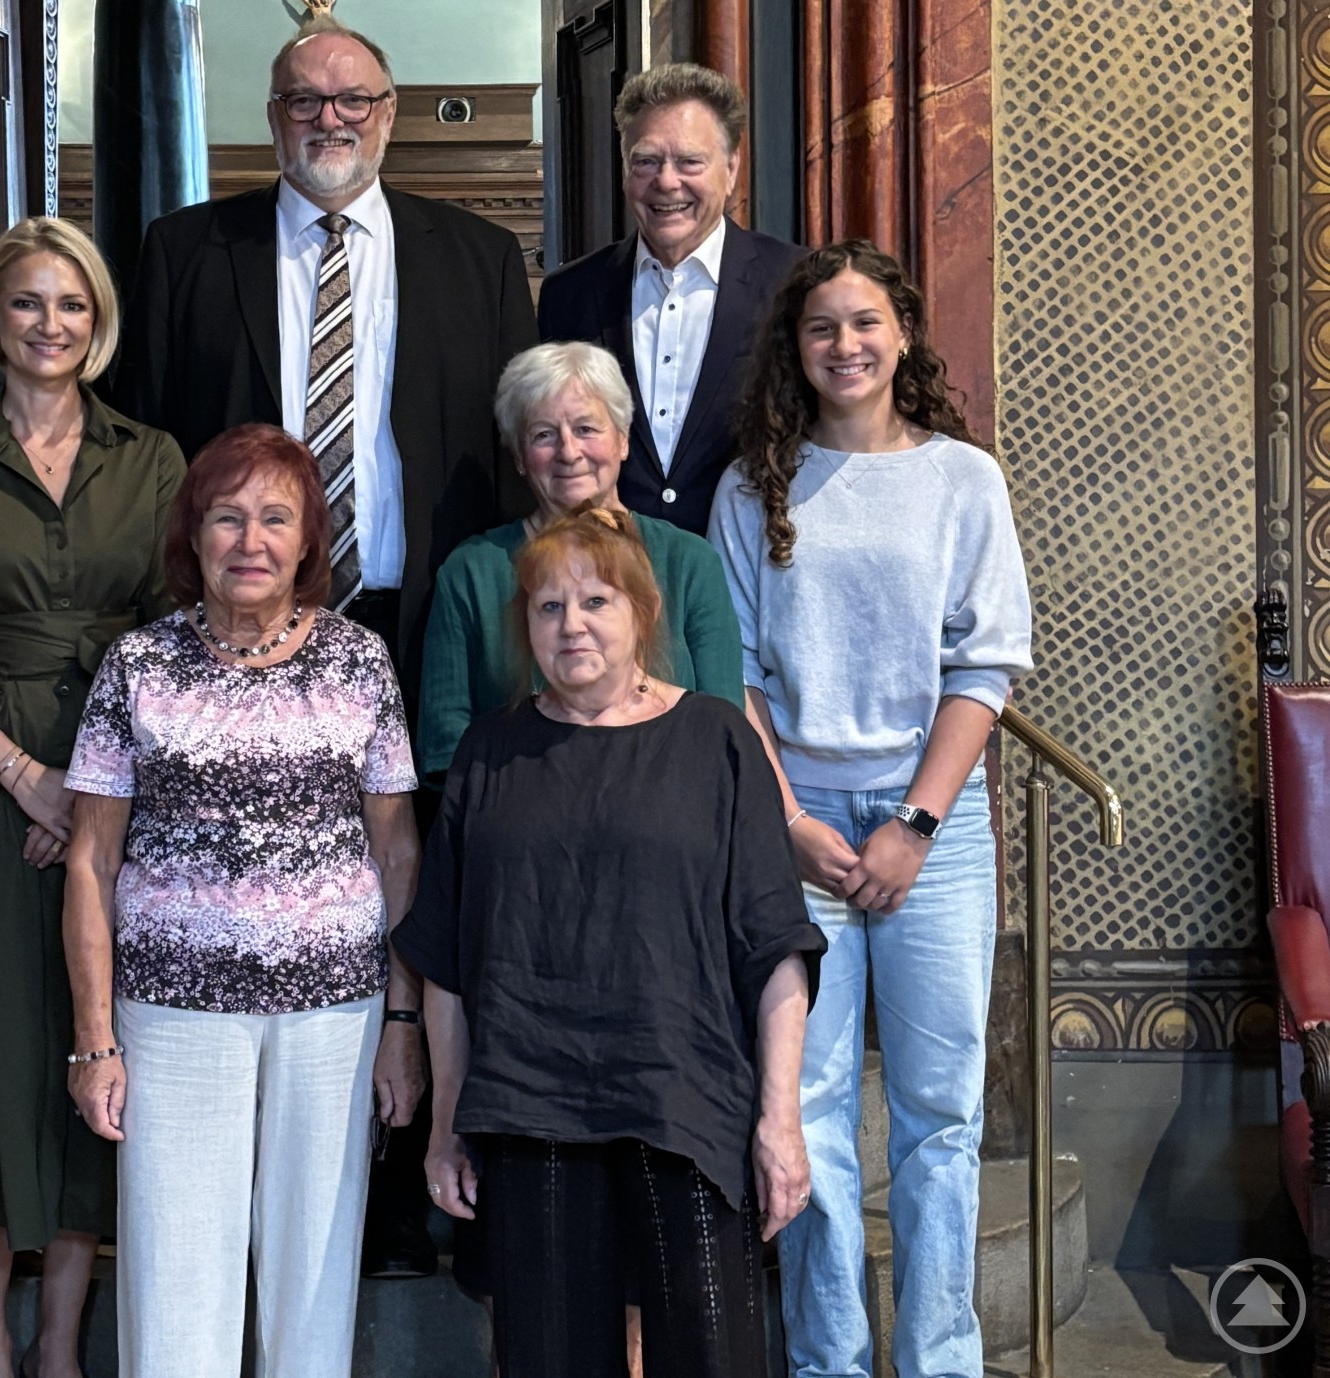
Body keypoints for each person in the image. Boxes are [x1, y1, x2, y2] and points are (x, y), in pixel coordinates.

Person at [117, 12, 534, 1277]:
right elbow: (150, 455)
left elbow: (510, 469)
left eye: (353, 98)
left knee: (426, 881)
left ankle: (420, 1187)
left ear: (391, 110)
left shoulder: (477, 258)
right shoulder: (189, 251)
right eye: (304, 99)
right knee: (266, 897)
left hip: (421, 622)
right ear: (270, 113)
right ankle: (258, 1183)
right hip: (243, 629)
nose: (329, 119)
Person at [397, 508, 824, 1378]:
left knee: (712, 1357)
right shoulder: (490, 752)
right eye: (548, 608)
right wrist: (445, 1125)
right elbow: (445, 963)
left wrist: (781, 1119)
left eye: (596, 601)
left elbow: (775, 945)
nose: (572, 625)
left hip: (686, 1099)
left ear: (642, 614)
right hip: (530, 1105)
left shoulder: (716, 741)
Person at [707, 239, 1033, 1378]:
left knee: (944, 1115)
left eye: (864, 324)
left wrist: (916, 825)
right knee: (814, 1112)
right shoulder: (753, 485)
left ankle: (943, 1357)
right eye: (821, 328)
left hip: (930, 831)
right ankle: (831, 1359)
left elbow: (984, 668)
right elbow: (733, 674)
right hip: (797, 822)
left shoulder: (962, 478)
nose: (845, 345)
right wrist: (791, 823)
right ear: (793, 350)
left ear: (901, 336)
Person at [0, 215, 185, 1378]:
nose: (49, 325)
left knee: (88, 1042)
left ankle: (61, 1338)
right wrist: (21, 775)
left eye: (71, 305)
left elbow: (177, 627)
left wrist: (101, 789)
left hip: (133, 774)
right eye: (26, 305)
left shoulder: (153, 457)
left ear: (96, 322)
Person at [60, 425, 424, 1377]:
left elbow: (395, 849)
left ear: (310, 541)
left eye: (276, 518)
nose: (250, 540)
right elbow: (90, 862)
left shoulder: (360, 662)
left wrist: (401, 1017)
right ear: (194, 534)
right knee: (175, 1282)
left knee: (314, 1278)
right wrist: (95, 1040)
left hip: (333, 1013)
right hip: (172, 1016)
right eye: (227, 517)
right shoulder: (138, 666)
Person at [418, 340, 744, 784]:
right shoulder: (470, 573)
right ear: (518, 457)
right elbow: (446, 748)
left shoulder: (689, 561)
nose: (568, 452)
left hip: (670, 818)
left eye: (587, 428)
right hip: (517, 824)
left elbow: (724, 732)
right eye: (543, 435)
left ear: (624, 440)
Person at [537, 63, 805, 537]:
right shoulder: (569, 294)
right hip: (607, 580)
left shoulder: (793, 283)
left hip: (748, 576)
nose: (666, 181)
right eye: (646, 161)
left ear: (731, 169)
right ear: (624, 171)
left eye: (689, 162)